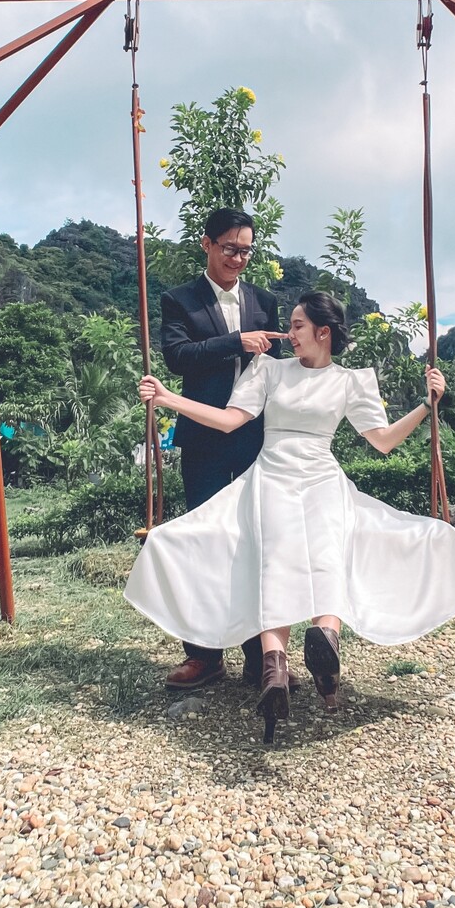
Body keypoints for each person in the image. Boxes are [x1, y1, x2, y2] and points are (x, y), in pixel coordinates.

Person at [127, 290, 455, 741]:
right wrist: (167, 398)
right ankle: (277, 668)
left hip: (321, 478)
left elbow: (383, 440)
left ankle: (318, 647)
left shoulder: (352, 381)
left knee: (326, 550)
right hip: (272, 476)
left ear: (323, 332)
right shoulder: (269, 369)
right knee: (276, 557)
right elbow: (229, 419)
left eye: (297, 326)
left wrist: (427, 405)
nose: (289, 334)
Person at [155, 208, 285, 691]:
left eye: (246, 250)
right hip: (203, 439)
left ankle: (261, 657)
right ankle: (204, 655)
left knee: (258, 541)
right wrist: (235, 342)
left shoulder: (264, 300)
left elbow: (277, 365)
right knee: (205, 541)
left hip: (256, 437)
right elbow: (177, 357)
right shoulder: (179, 299)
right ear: (206, 244)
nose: (238, 258)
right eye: (230, 248)